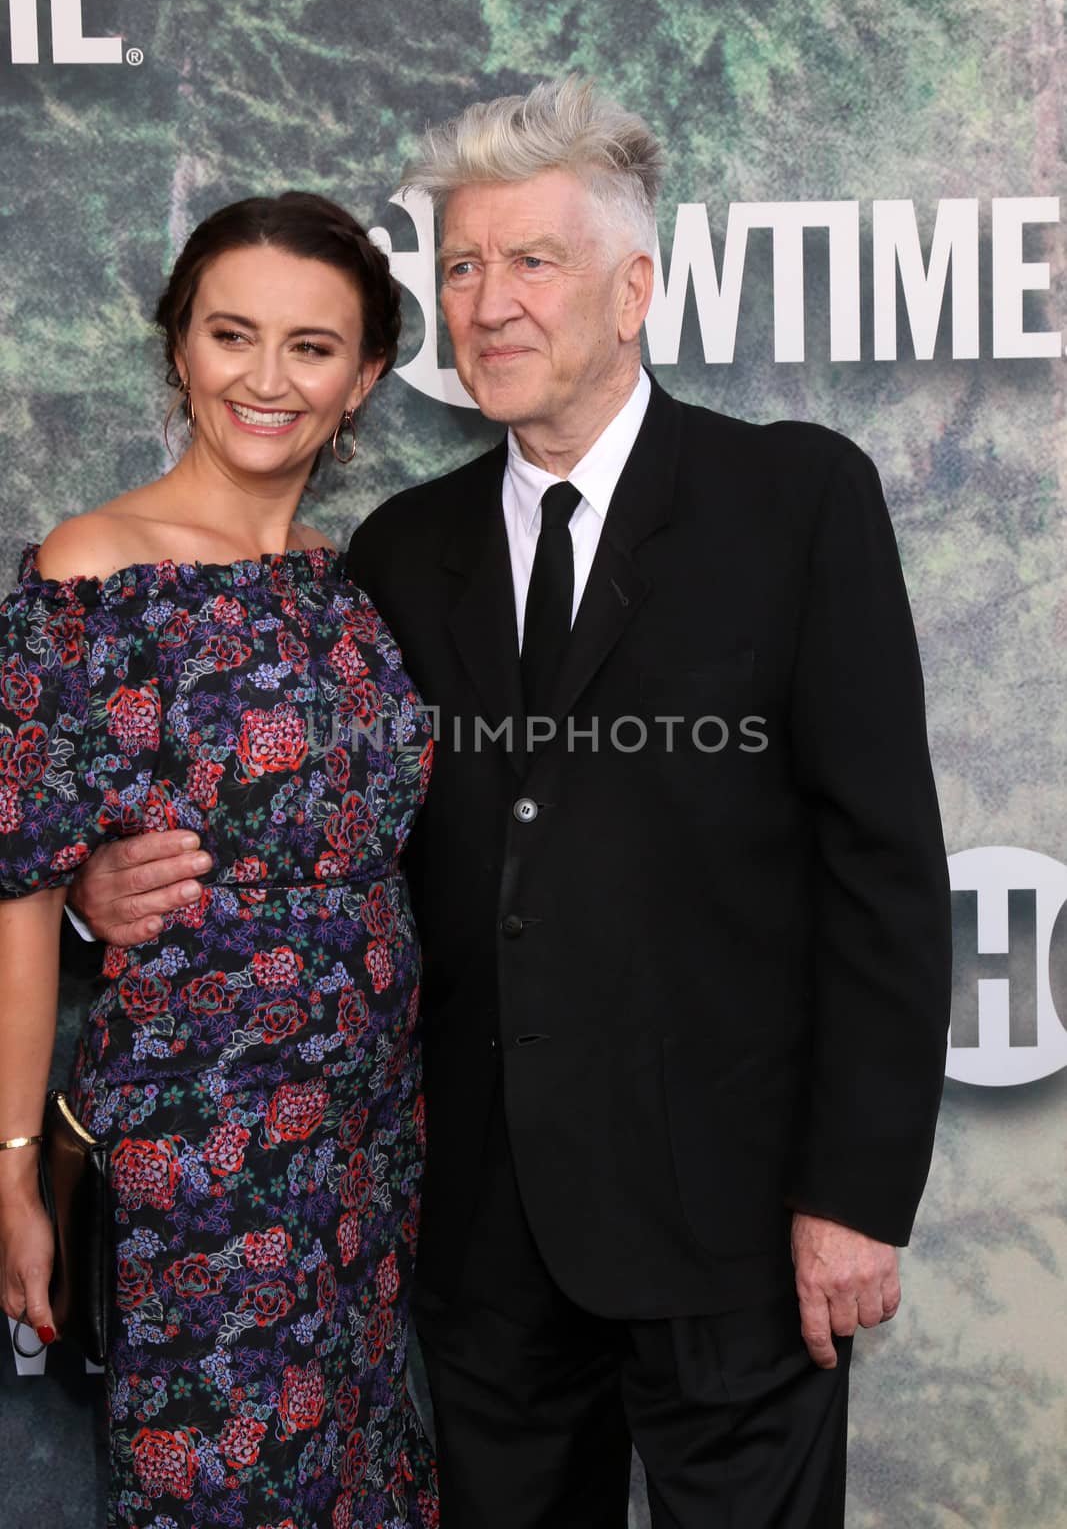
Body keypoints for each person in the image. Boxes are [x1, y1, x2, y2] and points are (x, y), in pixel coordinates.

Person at [66, 80, 952, 1528]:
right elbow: (314, 833)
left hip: (731, 1231)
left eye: (533, 263)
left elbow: (887, 877)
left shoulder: (793, 501)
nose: (489, 305)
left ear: (634, 288)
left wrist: (853, 1195)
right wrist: (110, 891)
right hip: (476, 1242)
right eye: (462, 267)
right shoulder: (402, 555)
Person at [0, 192, 437, 1529]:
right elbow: (20, 881)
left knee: (361, 1476)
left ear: (361, 381)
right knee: (222, 1485)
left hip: (370, 1135)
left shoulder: (346, 579)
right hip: (200, 1143)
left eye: (311, 347)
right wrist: (12, 1164)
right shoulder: (95, 565)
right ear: (179, 350)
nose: (266, 377)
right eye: (230, 334)